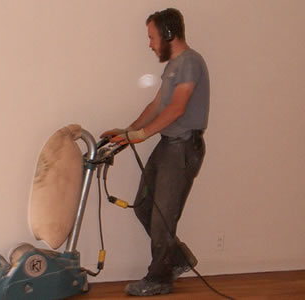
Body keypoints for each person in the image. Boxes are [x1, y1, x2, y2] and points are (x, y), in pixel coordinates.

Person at [100, 8, 210, 296]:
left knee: (162, 217)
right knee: (145, 207)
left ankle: (159, 278)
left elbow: (177, 108)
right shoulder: (174, 65)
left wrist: (140, 135)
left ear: (169, 35)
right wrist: (127, 133)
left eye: (152, 37)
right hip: (168, 145)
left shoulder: (190, 62)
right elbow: (157, 105)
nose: (149, 44)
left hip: (183, 147)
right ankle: (178, 258)